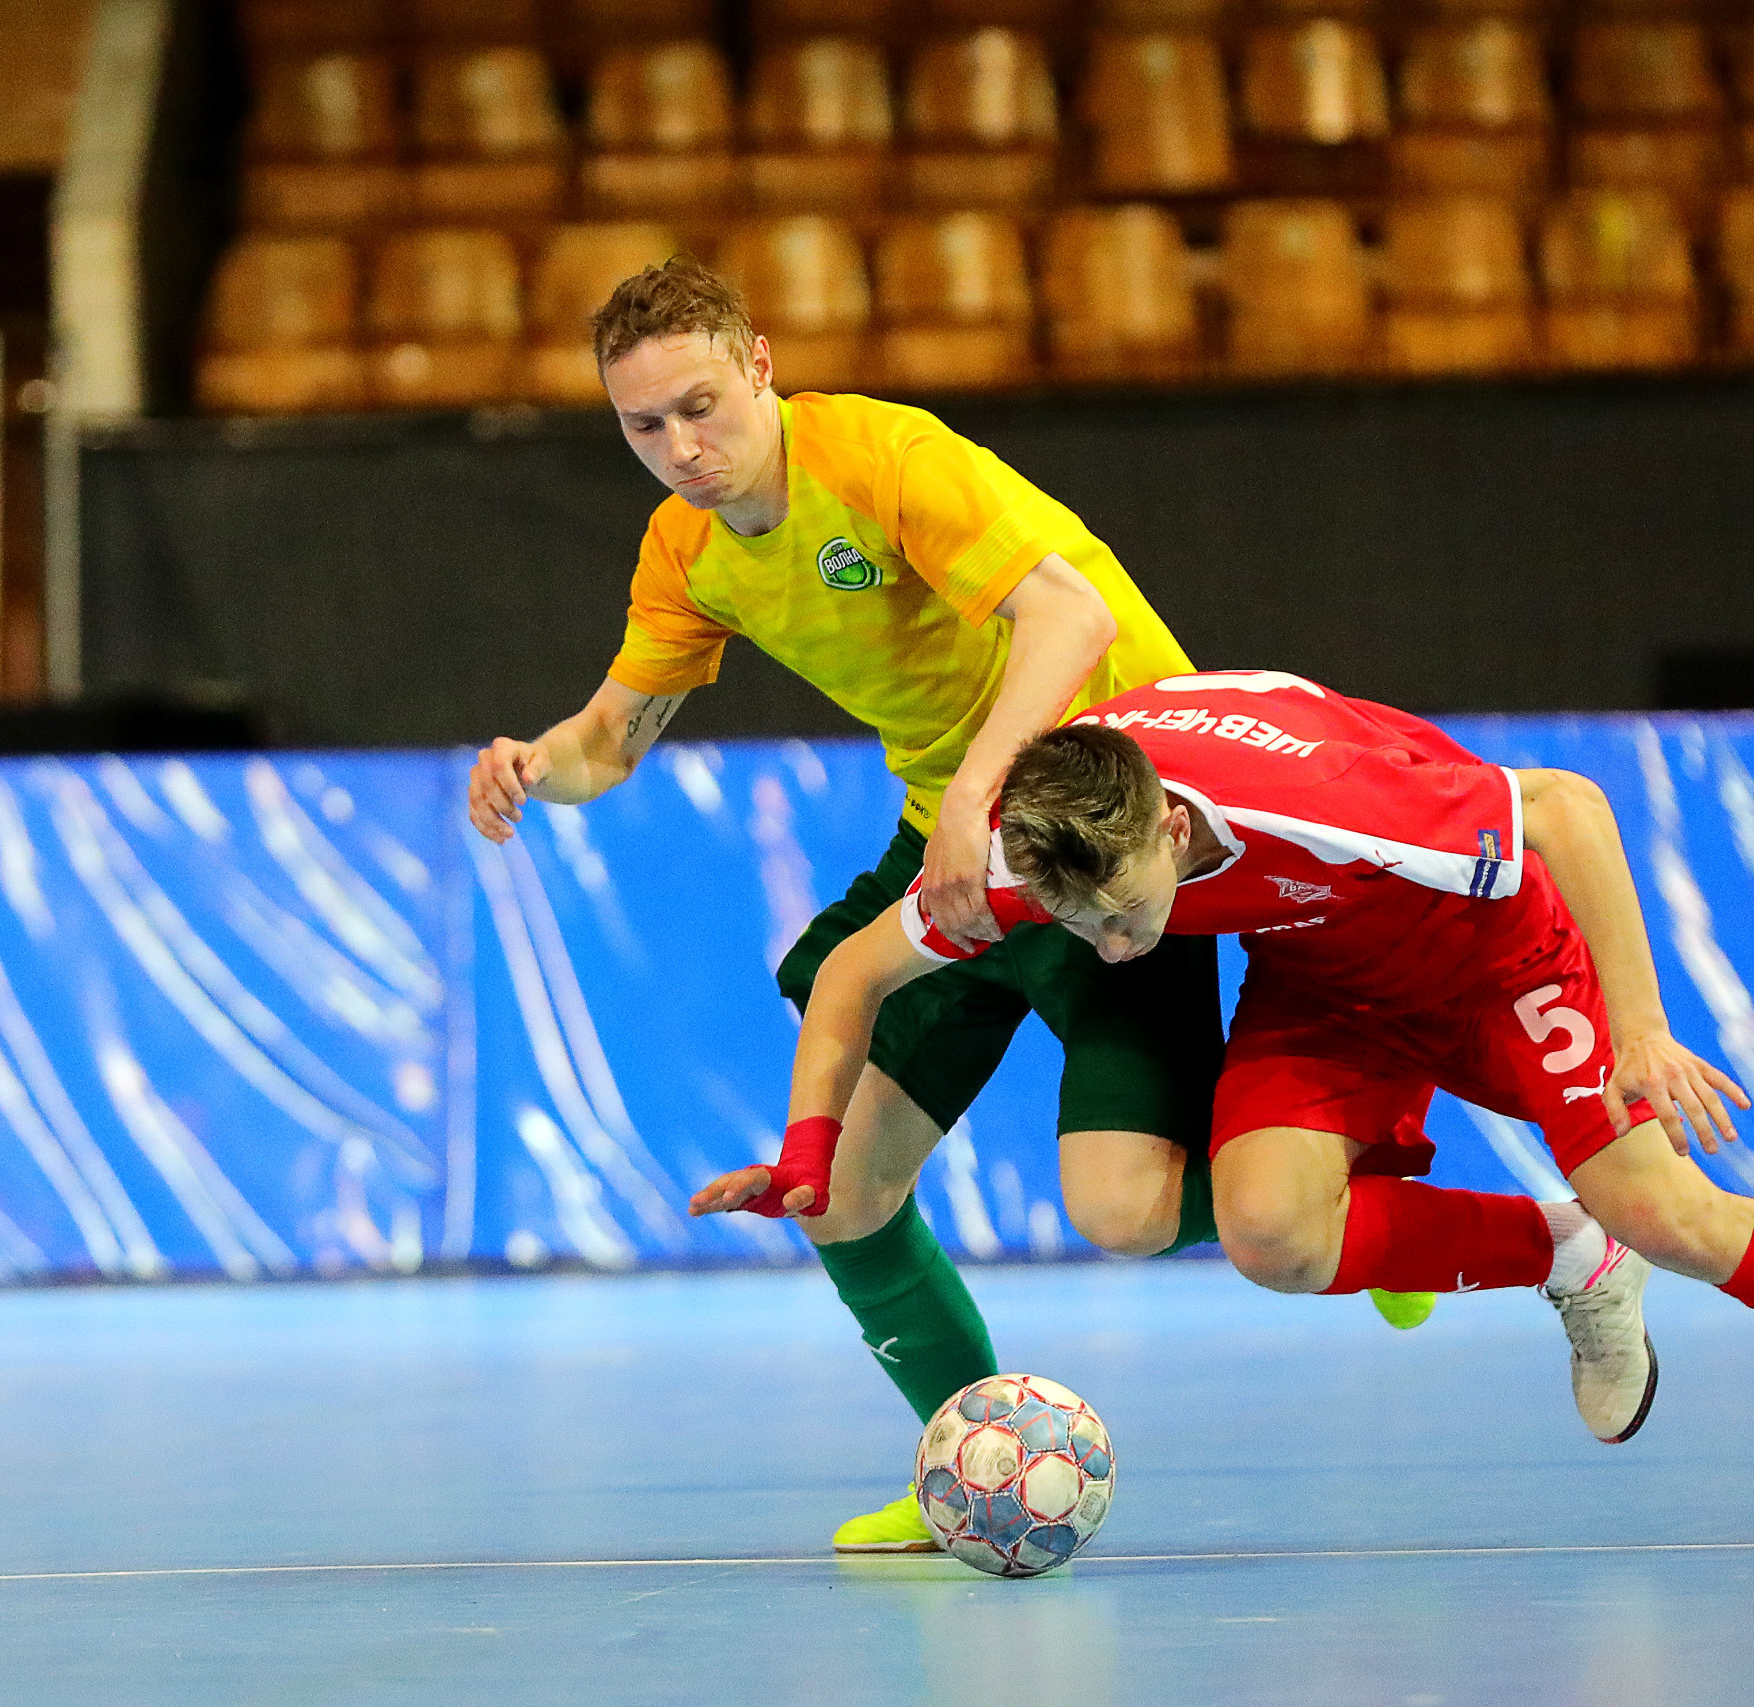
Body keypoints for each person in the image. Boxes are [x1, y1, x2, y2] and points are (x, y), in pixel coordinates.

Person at [465, 263, 1405, 1555]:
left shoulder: (885, 458)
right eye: (644, 426)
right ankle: (971, 1462)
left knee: (1127, 1216)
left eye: (700, 407)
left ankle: (1349, 1183)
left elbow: (1069, 616)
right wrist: (538, 766)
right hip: (952, 837)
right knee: (842, 1196)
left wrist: (978, 796)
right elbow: (611, 740)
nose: (681, 449)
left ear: (760, 366)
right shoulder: (687, 550)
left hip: (1098, 820)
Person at [717, 669, 1754, 1543]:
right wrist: (809, 1151)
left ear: (1176, 831)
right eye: (1090, 932)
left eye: (1131, 918)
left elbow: (1567, 809)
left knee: (1666, 1209)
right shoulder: (1049, 855)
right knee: (1268, 1234)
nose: (1119, 952)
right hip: (1327, 984)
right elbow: (851, 975)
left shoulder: (1332, 806)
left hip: (1497, 960)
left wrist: (1641, 1029)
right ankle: (1564, 1256)